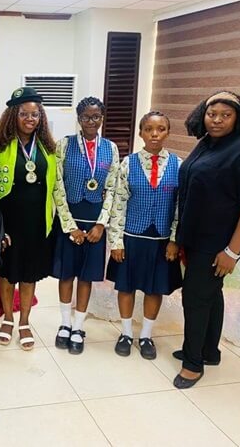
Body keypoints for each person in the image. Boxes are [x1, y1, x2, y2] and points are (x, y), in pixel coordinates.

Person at [173, 90, 240, 389]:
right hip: (196, 237)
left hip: (217, 243)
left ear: (239, 118)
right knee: (211, 296)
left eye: (225, 115)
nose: (216, 120)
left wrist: (232, 251)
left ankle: (192, 364)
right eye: (211, 114)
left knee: (195, 299)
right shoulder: (207, 144)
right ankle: (208, 352)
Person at [0, 87, 82, 351]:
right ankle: (8, 318)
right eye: (24, 114)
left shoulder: (48, 148)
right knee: (7, 273)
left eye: (35, 114)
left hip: (37, 223)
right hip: (8, 222)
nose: (30, 119)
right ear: (13, 116)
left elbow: (57, 189)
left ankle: (24, 321)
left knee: (29, 274)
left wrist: (69, 225)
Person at [107, 111, 182, 360]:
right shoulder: (128, 164)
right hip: (132, 236)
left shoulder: (178, 165)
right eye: (148, 129)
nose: (154, 134)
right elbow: (118, 204)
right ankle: (126, 333)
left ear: (168, 133)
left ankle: (146, 335)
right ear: (140, 133)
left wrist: (175, 240)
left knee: (154, 289)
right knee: (126, 286)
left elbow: (180, 207)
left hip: (161, 240)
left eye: (160, 129)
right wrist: (116, 241)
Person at [52, 96, 119, 354]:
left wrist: (101, 224)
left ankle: (79, 326)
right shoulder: (64, 145)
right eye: (86, 117)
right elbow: (57, 185)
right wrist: (69, 226)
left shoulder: (110, 148)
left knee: (86, 276)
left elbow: (112, 189)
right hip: (69, 218)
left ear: (102, 118)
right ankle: (65, 324)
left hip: (95, 222)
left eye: (96, 117)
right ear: (78, 118)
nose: (91, 121)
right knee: (66, 274)